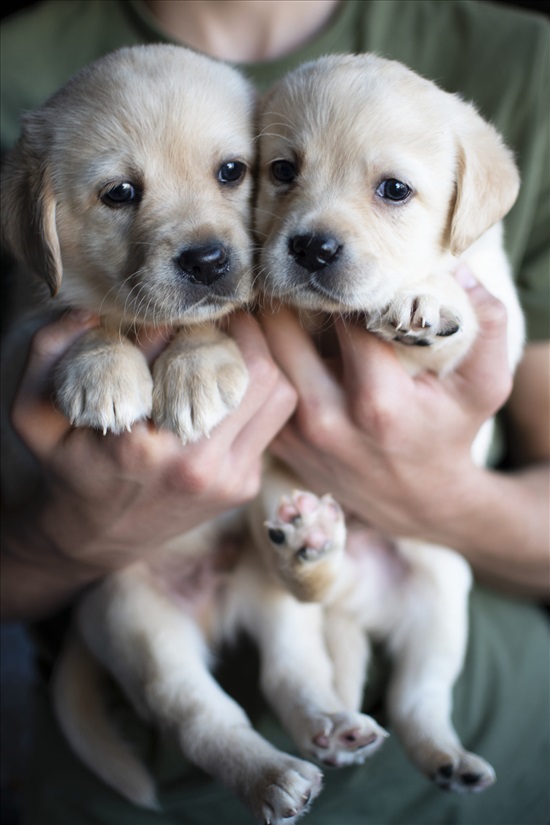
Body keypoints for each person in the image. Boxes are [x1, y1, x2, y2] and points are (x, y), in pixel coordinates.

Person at [1, 1, 548, 823]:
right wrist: (66, 536)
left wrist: (429, 491)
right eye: (277, 172)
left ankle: (380, 717)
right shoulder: (21, 71)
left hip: (500, 738)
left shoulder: (523, 63)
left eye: (231, 175)